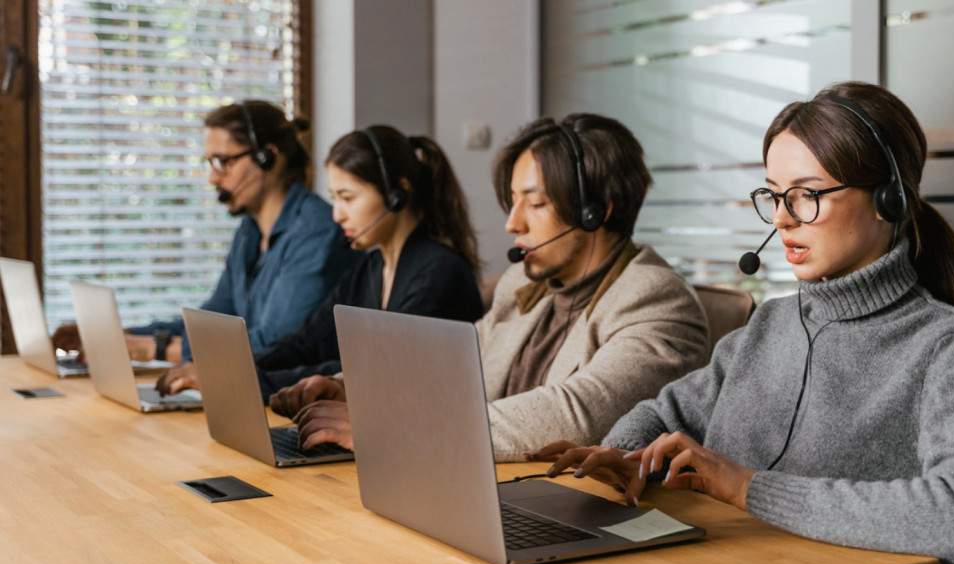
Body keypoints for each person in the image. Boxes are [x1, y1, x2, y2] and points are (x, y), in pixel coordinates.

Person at [528, 82, 954, 564]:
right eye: (775, 195)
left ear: (887, 198)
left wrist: (748, 488)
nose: (783, 220)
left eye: (807, 196)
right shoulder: (770, 325)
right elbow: (666, 412)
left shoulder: (952, 347)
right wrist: (629, 454)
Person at [270, 113, 711, 460]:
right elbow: (448, 360)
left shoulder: (655, 299)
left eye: (535, 203)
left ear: (597, 211)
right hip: (492, 487)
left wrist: (392, 430)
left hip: (586, 511)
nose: (511, 223)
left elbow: (578, 414)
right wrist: (348, 386)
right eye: (514, 201)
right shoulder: (528, 285)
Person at [52, 100, 360, 391]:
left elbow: (272, 343)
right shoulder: (249, 233)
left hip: (286, 399)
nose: (212, 177)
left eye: (223, 162)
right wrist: (126, 334)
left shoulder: (317, 231)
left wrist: (153, 348)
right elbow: (214, 321)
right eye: (210, 162)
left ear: (267, 157)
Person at [169, 126, 484, 398]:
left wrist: (245, 380)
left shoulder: (438, 273)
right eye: (334, 198)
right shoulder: (370, 269)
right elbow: (307, 342)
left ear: (396, 195)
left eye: (348, 198)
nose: (337, 214)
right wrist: (229, 370)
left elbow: (375, 373)